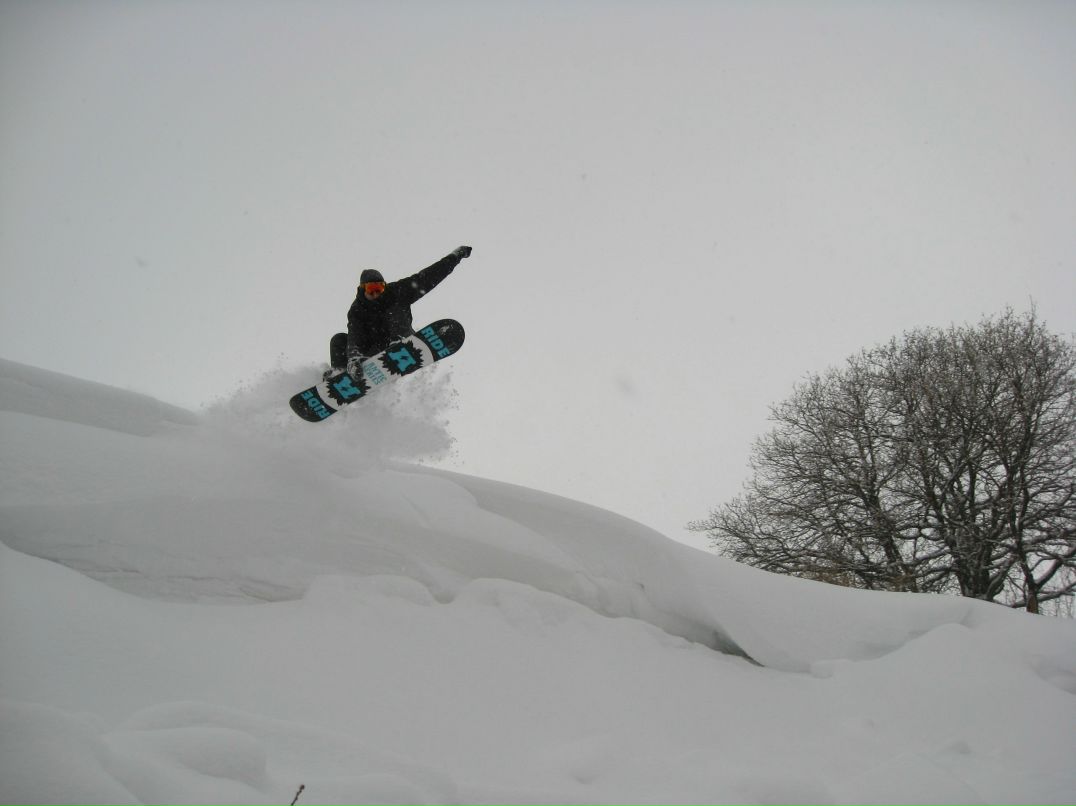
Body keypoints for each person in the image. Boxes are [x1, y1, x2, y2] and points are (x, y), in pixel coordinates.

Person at [327, 245, 472, 379]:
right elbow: (354, 335)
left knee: (393, 309)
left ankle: (399, 345)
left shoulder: (397, 292)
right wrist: (353, 358)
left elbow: (429, 276)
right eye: (371, 289)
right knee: (339, 340)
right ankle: (340, 375)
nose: (376, 293)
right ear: (362, 289)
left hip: (397, 338)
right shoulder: (357, 310)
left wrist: (455, 256)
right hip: (373, 350)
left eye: (380, 288)